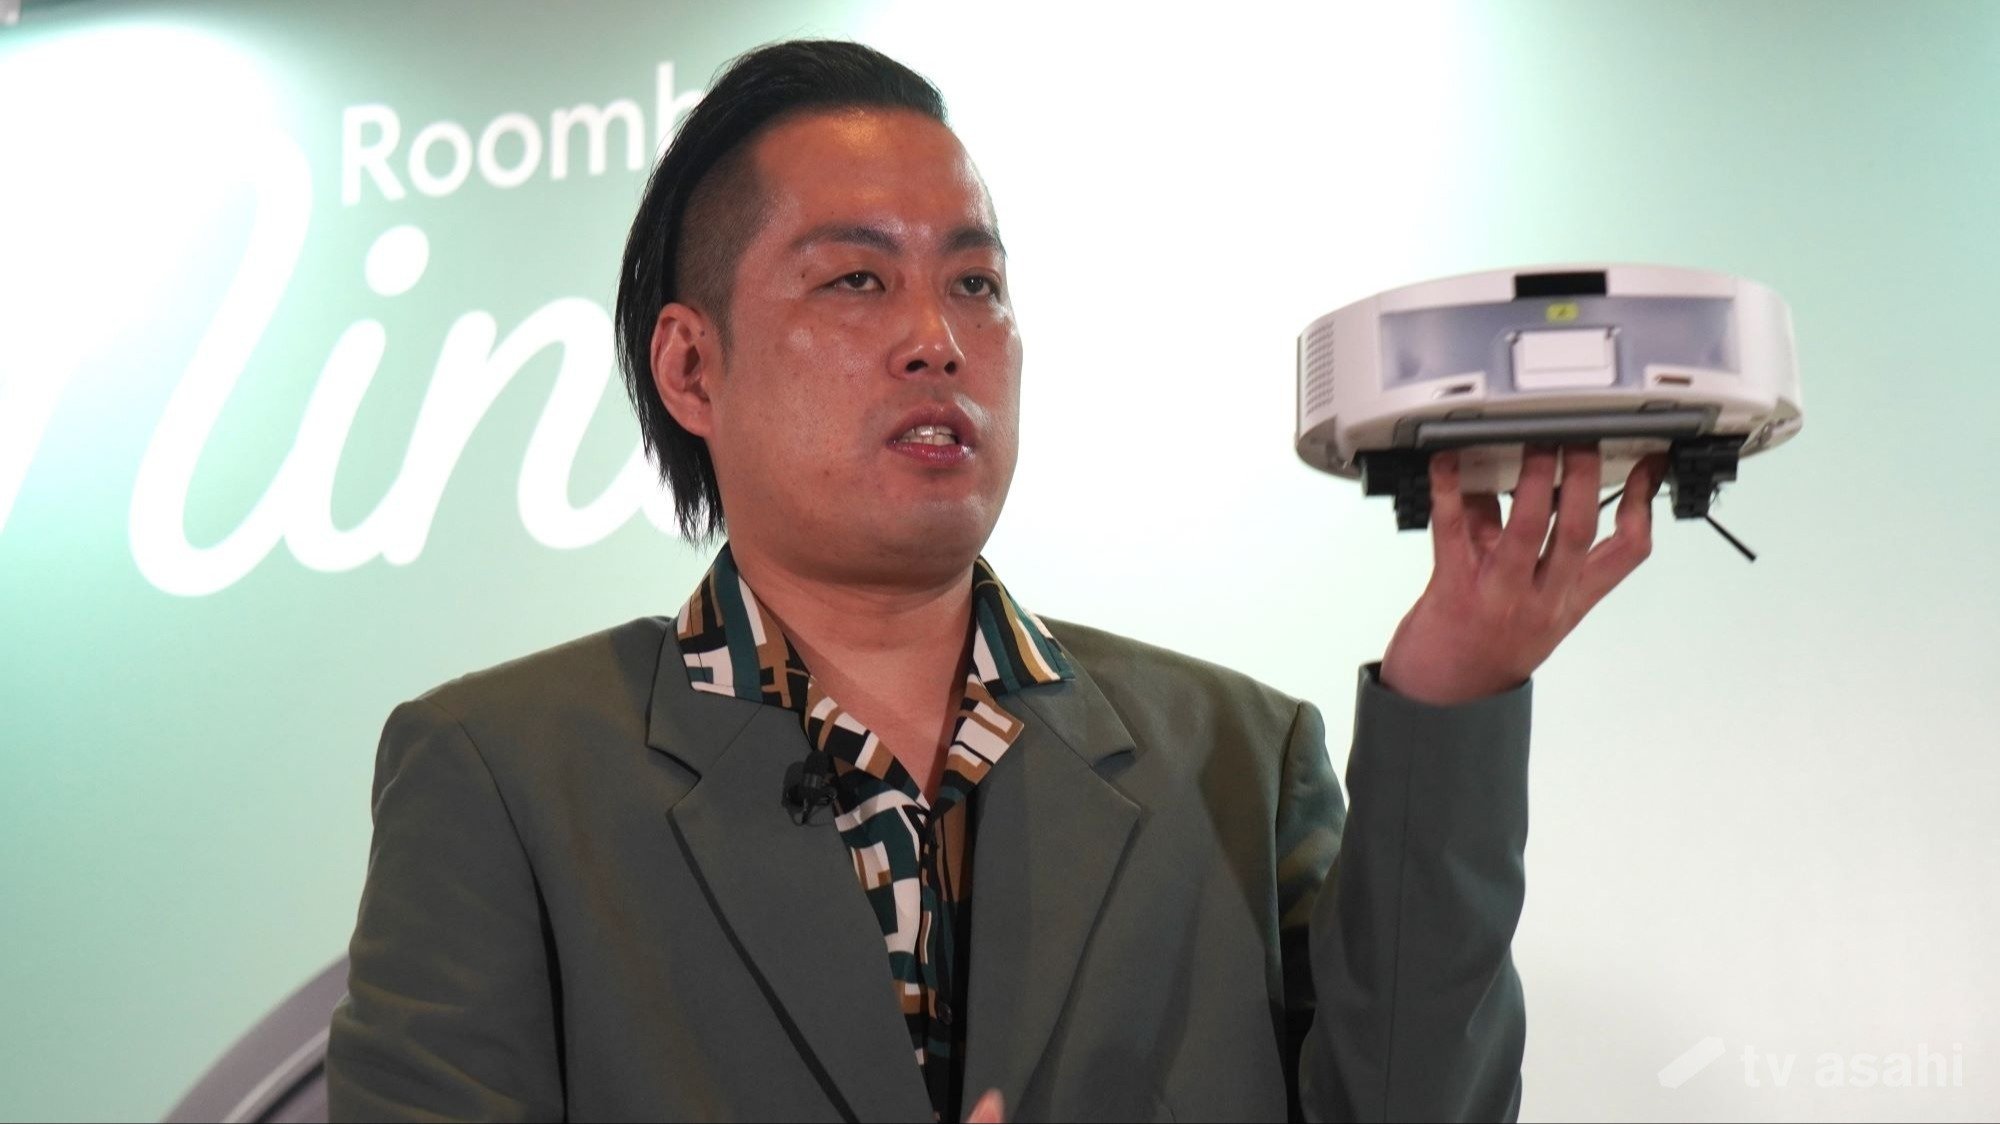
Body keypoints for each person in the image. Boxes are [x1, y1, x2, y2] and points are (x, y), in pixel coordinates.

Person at [326, 39, 1662, 1123]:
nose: (936, 339)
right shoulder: (503, 776)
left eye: (976, 284)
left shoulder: (1237, 763)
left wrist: (1456, 695)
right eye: (856, 279)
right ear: (690, 367)